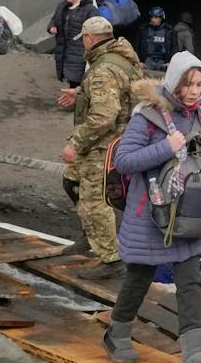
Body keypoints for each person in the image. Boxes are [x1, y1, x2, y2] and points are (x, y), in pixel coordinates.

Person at [101, 49, 201, 363]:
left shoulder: (200, 115)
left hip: (186, 214)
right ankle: (117, 333)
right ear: (174, 82)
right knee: (140, 277)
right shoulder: (147, 116)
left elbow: (197, 162)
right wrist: (165, 147)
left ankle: (195, 354)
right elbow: (124, 161)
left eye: (200, 84)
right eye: (188, 84)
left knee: (190, 280)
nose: (195, 91)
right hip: (151, 215)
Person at [61, 15, 143, 280]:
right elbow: (120, 93)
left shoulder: (102, 69)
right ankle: (90, 234)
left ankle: (110, 259)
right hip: (118, 137)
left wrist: (76, 142)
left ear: (89, 38)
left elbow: (104, 116)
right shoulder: (120, 59)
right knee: (70, 180)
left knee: (94, 200)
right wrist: (80, 94)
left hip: (106, 144)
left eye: (83, 39)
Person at [48, 0, 96, 94]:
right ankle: (74, 97)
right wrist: (52, 27)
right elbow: (54, 19)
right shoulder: (62, 6)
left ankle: (77, 99)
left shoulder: (89, 9)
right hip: (64, 46)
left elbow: (96, 25)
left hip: (80, 47)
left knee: (78, 75)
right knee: (70, 74)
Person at [138, 6, 175, 71]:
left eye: (156, 17)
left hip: (163, 61)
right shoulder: (145, 30)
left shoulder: (168, 31)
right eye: (151, 17)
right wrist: (139, 61)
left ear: (161, 18)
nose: (153, 20)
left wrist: (170, 62)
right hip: (148, 61)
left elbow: (174, 47)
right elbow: (138, 46)